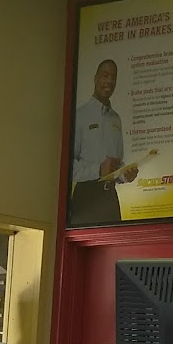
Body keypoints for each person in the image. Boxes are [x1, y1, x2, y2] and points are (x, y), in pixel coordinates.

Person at [68, 58, 136, 226]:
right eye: (105, 75)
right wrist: (98, 170)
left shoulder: (116, 119)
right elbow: (67, 167)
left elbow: (116, 163)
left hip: (110, 197)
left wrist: (125, 175)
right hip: (86, 197)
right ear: (95, 79)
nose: (109, 81)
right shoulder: (80, 115)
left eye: (113, 77)